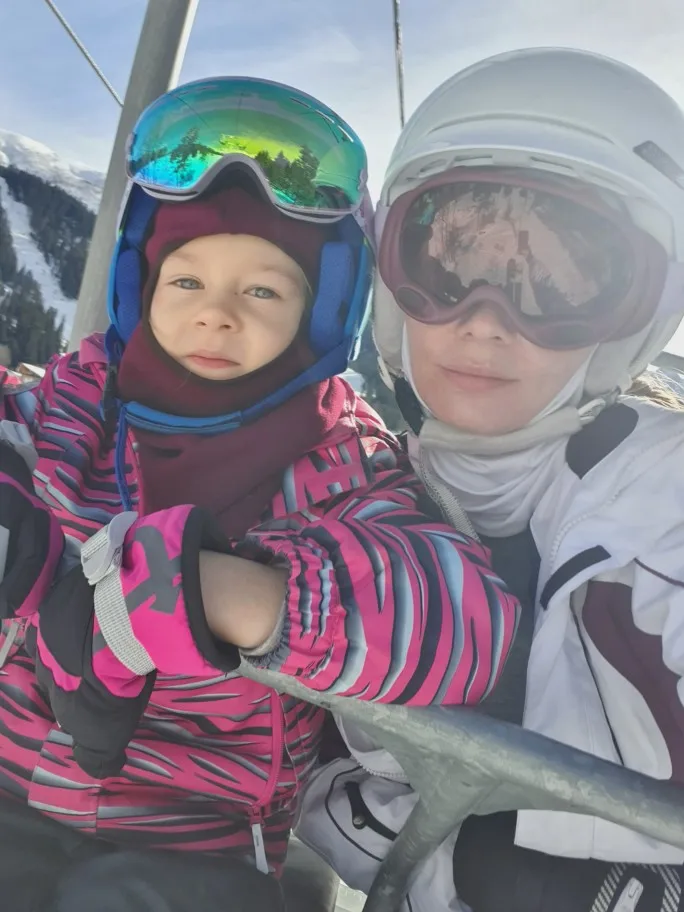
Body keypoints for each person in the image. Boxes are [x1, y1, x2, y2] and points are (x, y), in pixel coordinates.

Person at [0, 75, 519, 911]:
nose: (217, 314)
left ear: (323, 311)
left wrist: (224, 592)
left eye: (263, 290)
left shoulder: (342, 463)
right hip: (12, 784)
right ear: (141, 286)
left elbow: (464, 622)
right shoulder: (72, 409)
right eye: (186, 282)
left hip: (198, 836)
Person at [296, 48, 684, 912]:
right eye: (446, 261)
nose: (483, 322)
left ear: (630, 320)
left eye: (557, 280)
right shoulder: (339, 488)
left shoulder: (659, 502)